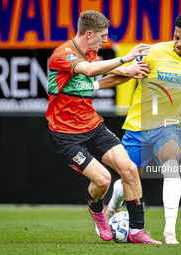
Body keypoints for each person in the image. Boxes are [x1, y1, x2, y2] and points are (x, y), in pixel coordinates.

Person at [104, 12, 181, 244]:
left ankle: (170, 231)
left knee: (171, 165)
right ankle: (114, 204)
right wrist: (95, 83)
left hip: (168, 125)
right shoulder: (154, 52)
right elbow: (126, 73)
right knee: (130, 178)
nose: (179, 43)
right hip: (139, 125)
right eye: (176, 37)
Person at [46, 10, 162, 244]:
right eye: (103, 36)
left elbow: (110, 73)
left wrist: (129, 71)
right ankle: (97, 210)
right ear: (89, 34)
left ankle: (137, 231)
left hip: (93, 126)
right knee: (103, 180)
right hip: (65, 135)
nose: (106, 40)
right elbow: (90, 71)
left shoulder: (91, 55)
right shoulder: (62, 54)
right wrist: (125, 59)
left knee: (129, 169)